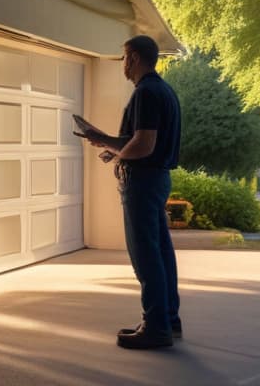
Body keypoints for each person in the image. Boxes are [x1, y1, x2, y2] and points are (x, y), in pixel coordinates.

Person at [86, 35, 182, 350]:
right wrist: (109, 143)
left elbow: (143, 145)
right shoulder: (164, 91)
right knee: (160, 252)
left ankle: (155, 328)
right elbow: (140, 141)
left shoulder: (145, 93)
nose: (123, 63)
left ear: (136, 58)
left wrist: (120, 153)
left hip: (142, 181)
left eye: (125, 56)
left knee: (145, 254)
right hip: (156, 179)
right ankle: (168, 320)